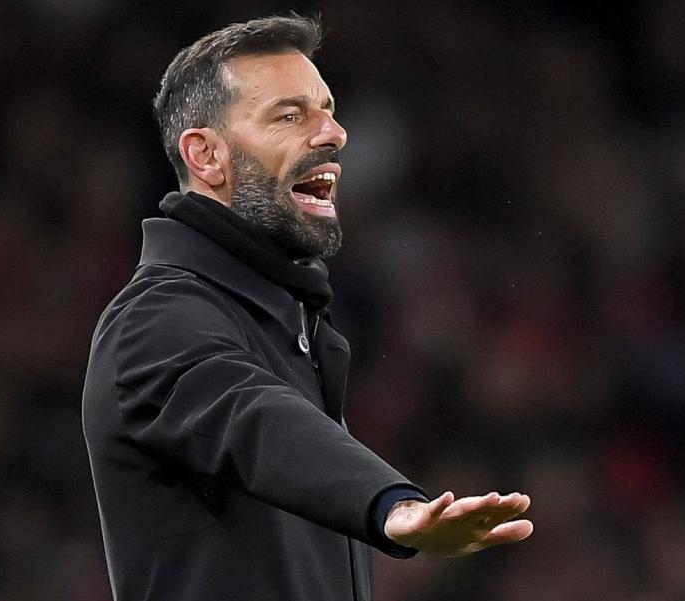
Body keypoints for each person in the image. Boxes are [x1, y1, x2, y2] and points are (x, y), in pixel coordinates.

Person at [81, 14, 533, 601]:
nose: (335, 133)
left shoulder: (287, 321)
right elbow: (254, 418)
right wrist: (389, 504)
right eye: (290, 115)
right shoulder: (156, 317)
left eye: (328, 109)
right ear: (205, 156)